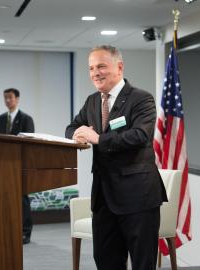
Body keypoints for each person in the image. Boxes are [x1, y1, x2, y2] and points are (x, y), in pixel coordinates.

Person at [65, 45, 167, 270]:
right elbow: (73, 125)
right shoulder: (93, 101)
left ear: (119, 67)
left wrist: (98, 139)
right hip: (103, 197)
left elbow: (140, 136)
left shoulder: (141, 99)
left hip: (137, 196)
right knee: (105, 260)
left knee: (142, 263)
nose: (95, 73)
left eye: (101, 66)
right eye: (91, 68)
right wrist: (76, 135)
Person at [0, 88, 35, 244]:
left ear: (17, 99)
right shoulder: (0, 119)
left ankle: (26, 232)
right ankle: (10, 229)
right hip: (4, 165)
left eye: (10, 98)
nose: (7, 101)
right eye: (5, 98)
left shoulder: (26, 119)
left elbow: (30, 142)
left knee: (22, 198)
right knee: (7, 197)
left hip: (21, 164)